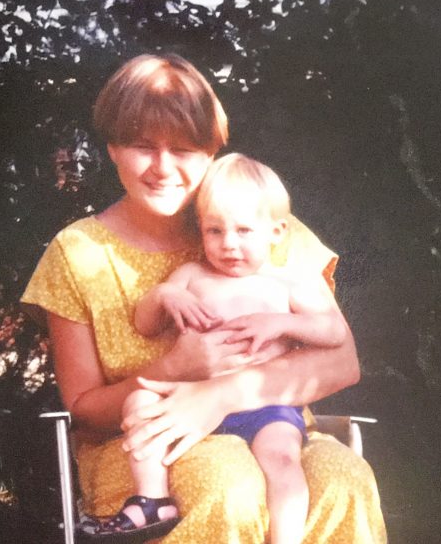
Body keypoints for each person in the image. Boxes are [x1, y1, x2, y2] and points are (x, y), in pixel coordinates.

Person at [22, 53, 386, 543]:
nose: (163, 168)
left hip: (273, 428)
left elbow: (341, 363)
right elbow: (85, 411)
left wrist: (221, 395)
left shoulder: (260, 224)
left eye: (184, 149)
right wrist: (175, 368)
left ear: (212, 151)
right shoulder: (78, 252)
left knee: (345, 479)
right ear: (112, 149)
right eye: (142, 146)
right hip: (143, 449)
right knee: (226, 483)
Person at [97, 152, 352, 544]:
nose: (228, 244)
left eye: (244, 231)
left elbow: (333, 332)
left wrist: (282, 322)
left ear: (277, 232)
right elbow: (144, 324)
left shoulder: (285, 282)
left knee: (283, 461)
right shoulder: (191, 276)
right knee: (139, 403)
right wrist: (164, 295)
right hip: (192, 404)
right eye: (214, 231)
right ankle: (152, 499)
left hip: (265, 406)